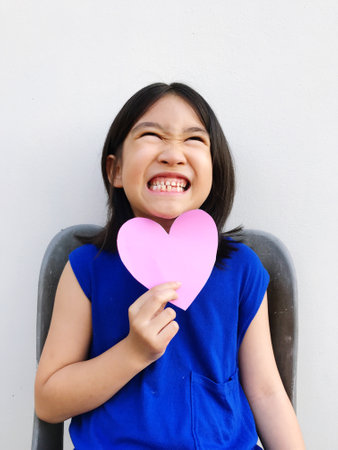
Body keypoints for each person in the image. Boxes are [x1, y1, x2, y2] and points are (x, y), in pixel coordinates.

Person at [35, 82, 305, 449]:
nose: (173, 154)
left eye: (194, 140)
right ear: (115, 171)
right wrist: (132, 353)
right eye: (151, 135)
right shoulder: (86, 269)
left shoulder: (242, 269)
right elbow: (49, 400)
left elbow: (268, 393)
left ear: (215, 169)